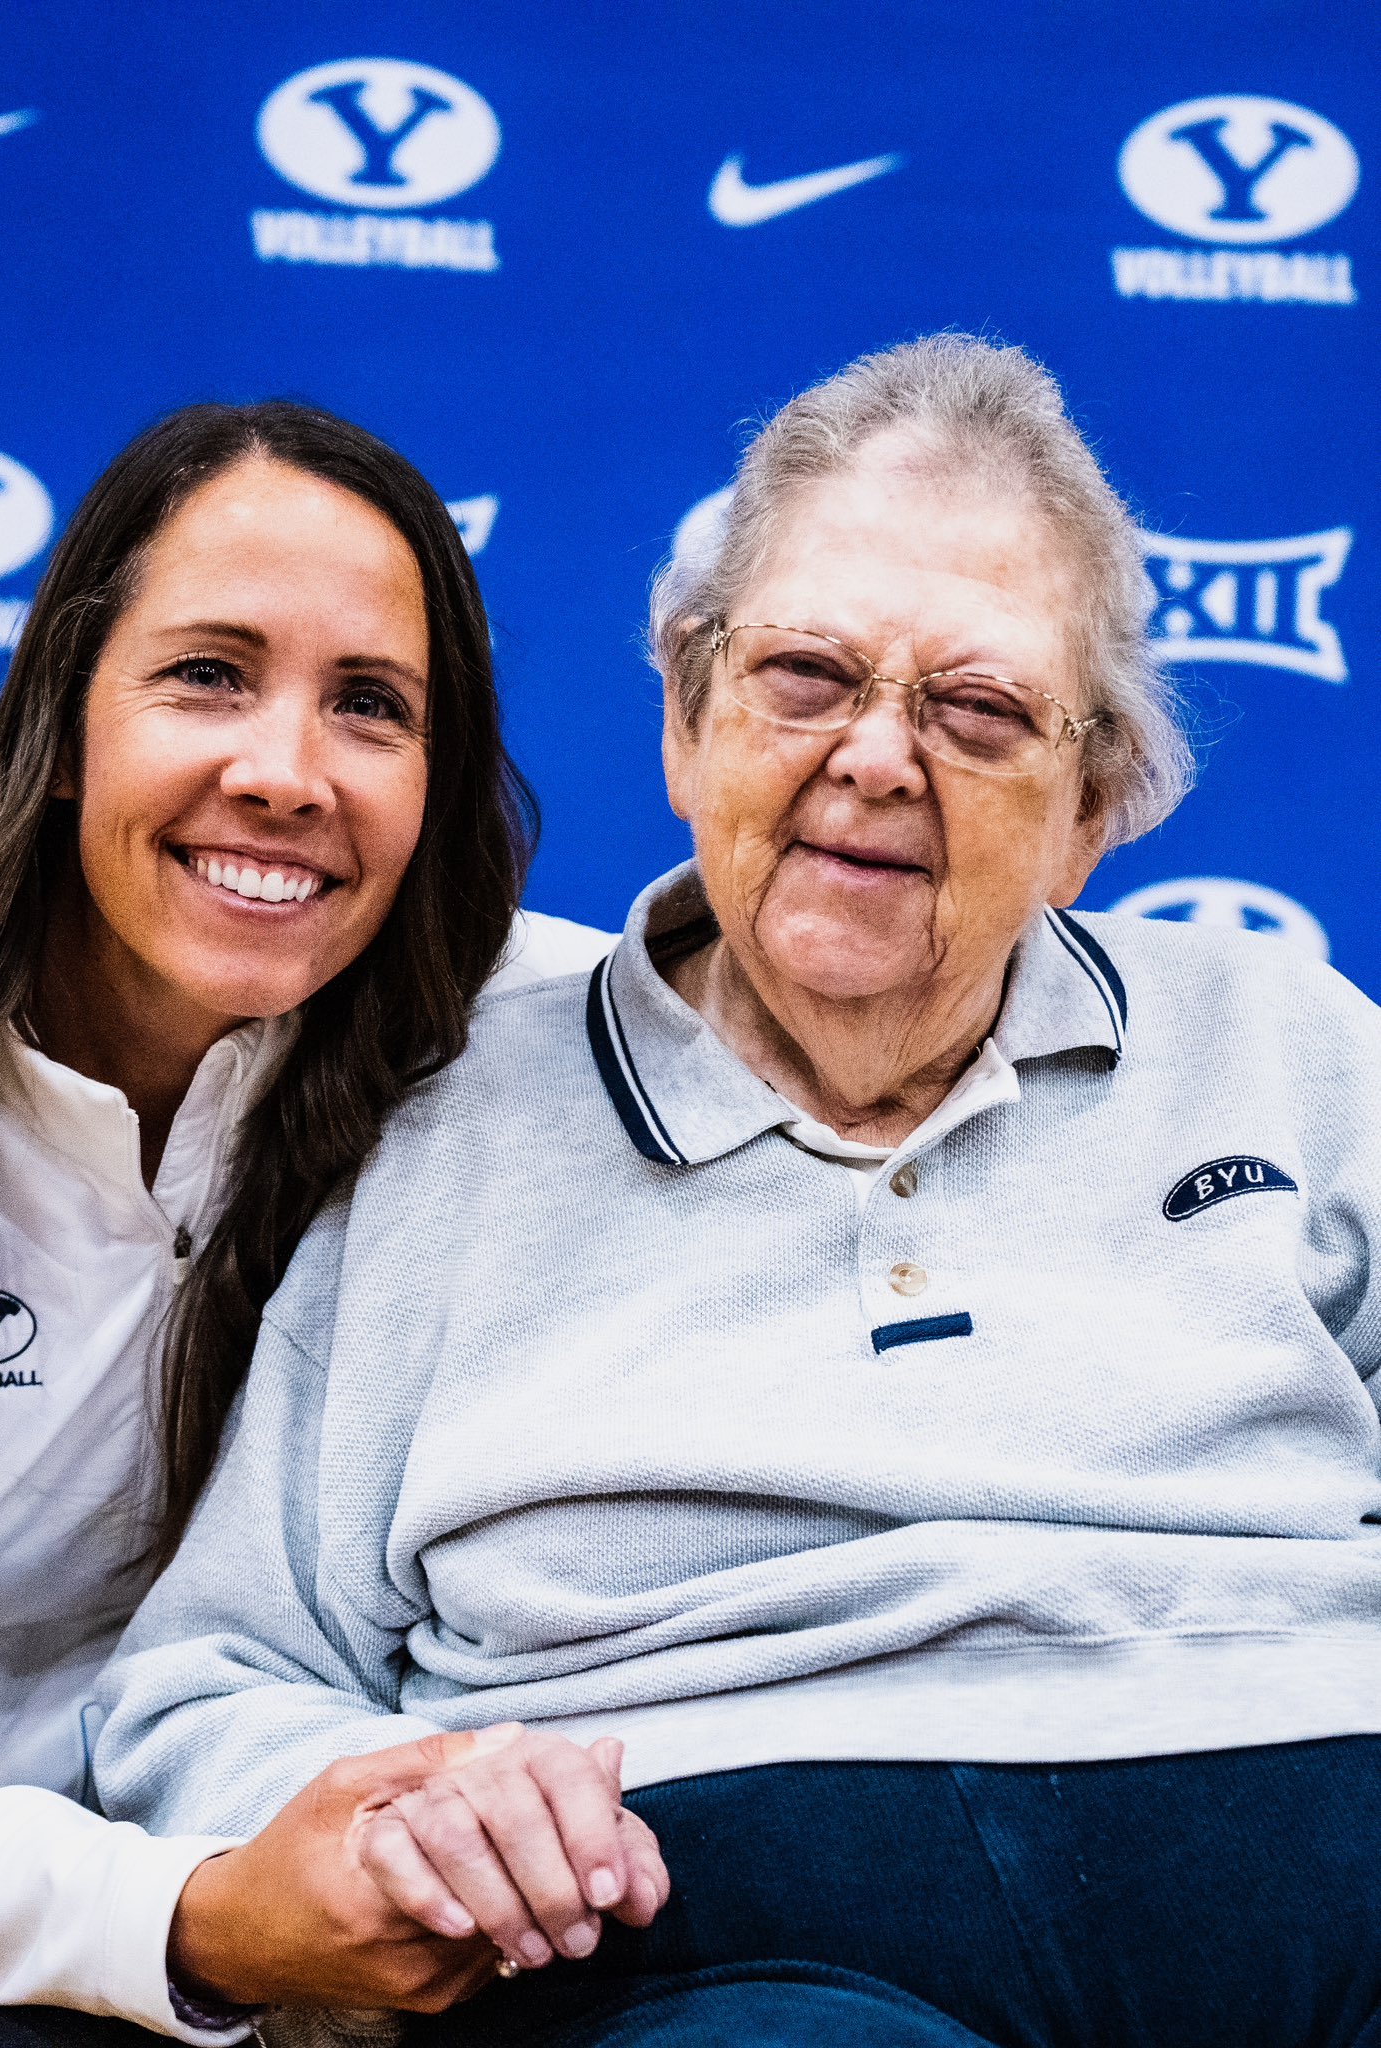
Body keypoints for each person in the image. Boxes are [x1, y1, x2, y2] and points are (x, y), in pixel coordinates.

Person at [93, 334, 1381, 2048]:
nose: (873, 757)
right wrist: (398, 1801)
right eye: (805, 678)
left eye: (975, 710)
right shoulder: (434, 1110)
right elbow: (205, 1682)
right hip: (726, 1939)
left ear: (1089, 814)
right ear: (687, 711)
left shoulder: (1283, 1038)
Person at [0, 399, 626, 2047]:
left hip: (257, 1918)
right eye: (208, 674)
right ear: (66, 717)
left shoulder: (494, 1027)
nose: (285, 775)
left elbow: (786, 1010)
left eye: (371, 708)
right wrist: (211, 1922)